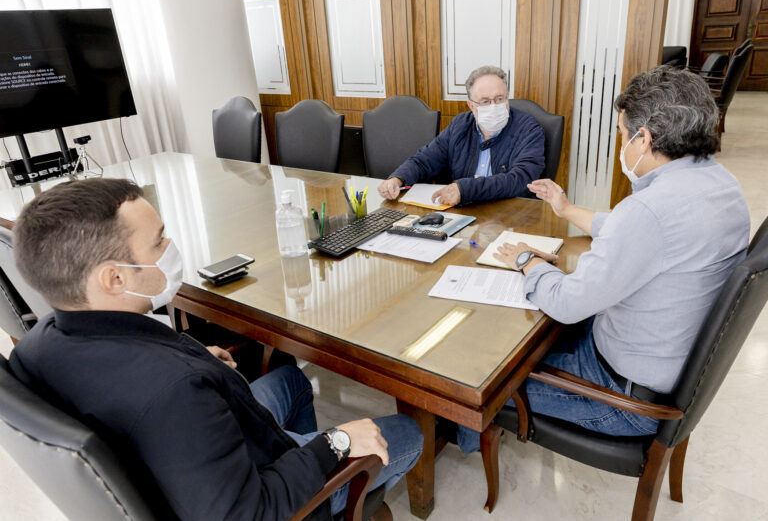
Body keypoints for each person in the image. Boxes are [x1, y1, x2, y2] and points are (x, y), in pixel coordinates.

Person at [9, 178, 423, 520]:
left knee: (293, 380)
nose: (170, 246)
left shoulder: (38, 344)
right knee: (406, 432)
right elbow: (248, 514)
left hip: (191, 453)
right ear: (114, 279)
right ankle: (322, 502)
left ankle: (295, 450)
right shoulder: (175, 394)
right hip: (255, 494)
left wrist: (194, 358)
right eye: (158, 242)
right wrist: (334, 445)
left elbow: (144, 380)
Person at [456, 66, 750, 452]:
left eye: (622, 134)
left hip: (624, 397)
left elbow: (566, 304)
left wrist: (528, 260)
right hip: (666, 368)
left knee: (479, 381)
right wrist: (567, 210)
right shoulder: (719, 183)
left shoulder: (647, 211)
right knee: (533, 339)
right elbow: (639, 231)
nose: (621, 142)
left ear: (643, 139)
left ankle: (459, 437)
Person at [377, 65, 545, 206]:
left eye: (499, 98)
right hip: (464, 215)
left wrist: (465, 189)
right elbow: (425, 160)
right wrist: (397, 179)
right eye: (485, 101)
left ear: (507, 98)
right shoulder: (460, 125)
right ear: (471, 105)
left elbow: (522, 179)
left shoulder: (528, 129)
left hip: (510, 215)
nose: (494, 106)